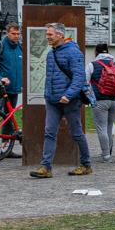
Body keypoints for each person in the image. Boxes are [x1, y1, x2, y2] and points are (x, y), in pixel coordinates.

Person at [32, 23, 91, 178]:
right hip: (52, 100)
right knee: (49, 132)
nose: (47, 37)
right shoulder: (51, 53)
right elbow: (50, 76)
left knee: (76, 133)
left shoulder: (73, 52)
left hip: (69, 101)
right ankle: (45, 167)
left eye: (50, 34)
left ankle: (86, 165)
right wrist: (47, 94)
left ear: (60, 35)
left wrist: (68, 95)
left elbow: (79, 77)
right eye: (47, 34)